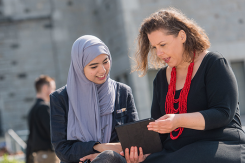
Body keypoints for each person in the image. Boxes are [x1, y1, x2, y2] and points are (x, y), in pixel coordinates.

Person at [129, 8, 245, 163]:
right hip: (175, 150)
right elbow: (159, 131)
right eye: (155, 47)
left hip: (219, 143)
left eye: (163, 44)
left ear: (182, 36)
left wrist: (178, 120)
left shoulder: (214, 63)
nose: (158, 53)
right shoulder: (160, 79)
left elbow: (223, 113)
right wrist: (142, 153)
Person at [50, 35, 141, 163]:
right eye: (94, 66)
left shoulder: (122, 92)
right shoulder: (60, 99)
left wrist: (107, 155)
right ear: (79, 68)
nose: (103, 70)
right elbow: (63, 150)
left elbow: (134, 142)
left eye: (106, 61)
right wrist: (100, 147)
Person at [26, 75, 59, 163]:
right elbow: (53, 132)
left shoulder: (32, 109)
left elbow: (30, 137)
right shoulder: (44, 108)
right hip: (48, 156)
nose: (54, 92)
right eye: (53, 88)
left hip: (39, 156)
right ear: (45, 88)